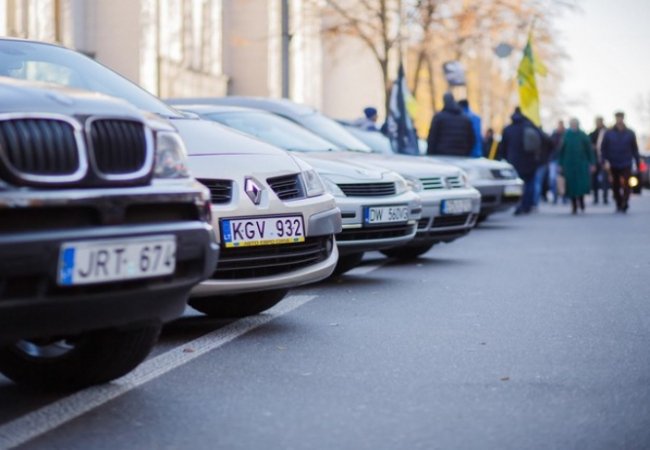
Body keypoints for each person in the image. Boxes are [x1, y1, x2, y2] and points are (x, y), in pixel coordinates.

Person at [498, 106, 544, 215]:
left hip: (513, 161)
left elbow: (502, 147)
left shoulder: (508, 129)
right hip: (530, 161)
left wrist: (503, 158)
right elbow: (542, 140)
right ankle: (527, 205)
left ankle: (517, 205)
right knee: (529, 183)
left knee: (516, 184)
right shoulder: (530, 126)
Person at [601, 111, 641, 213]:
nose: (619, 120)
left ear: (623, 119)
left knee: (627, 183)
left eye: (621, 118)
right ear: (615, 119)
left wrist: (637, 162)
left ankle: (625, 201)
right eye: (618, 118)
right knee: (615, 185)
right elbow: (603, 148)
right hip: (613, 162)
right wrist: (603, 161)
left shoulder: (630, 133)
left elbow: (635, 149)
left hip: (626, 162)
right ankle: (618, 202)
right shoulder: (609, 133)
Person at [558, 118, 595, 214]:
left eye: (575, 124)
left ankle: (581, 200)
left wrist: (592, 163)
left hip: (581, 164)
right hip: (569, 164)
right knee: (571, 185)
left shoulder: (583, 135)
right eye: (572, 124)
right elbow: (561, 151)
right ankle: (574, 204)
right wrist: (560, 164)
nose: (574, 126)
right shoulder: (566, 135)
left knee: (581, 184)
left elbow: (589, 150)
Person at [426, 92, 475, 156]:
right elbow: (471, 139)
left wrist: (430, 154)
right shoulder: (466, 119)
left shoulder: (439, 117)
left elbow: (432, 138)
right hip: (461, 155)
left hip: (441, 155)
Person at [588, 116, 609, 205]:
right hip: (595, 159)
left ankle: (605, 198)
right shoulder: (592, 134)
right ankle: (596, 198)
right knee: (594, 180)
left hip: (604, 159)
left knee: (605, 179)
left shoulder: (607, 133)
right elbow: (589, 146)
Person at [548, 120, 566, 204]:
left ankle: (564, 197)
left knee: (563, 179)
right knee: (553, 179)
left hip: (563, 160)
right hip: (554, 159)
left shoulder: (566, 135)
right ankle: (554, 197)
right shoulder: (554, 135)